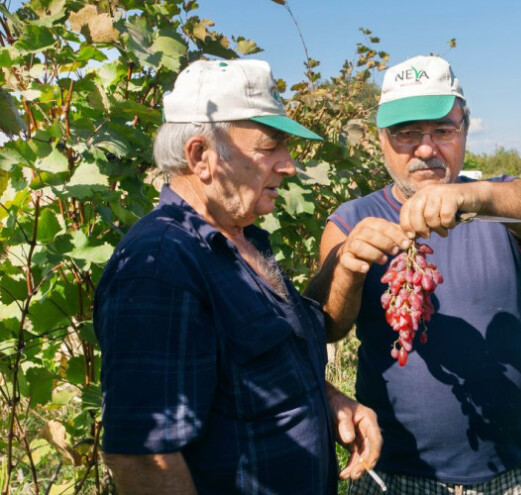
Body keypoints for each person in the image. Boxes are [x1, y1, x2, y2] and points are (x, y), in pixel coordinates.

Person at [94, 59, 381, 495]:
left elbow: (247, 384)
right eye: (270, 148)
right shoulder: (161, 267)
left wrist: (329, 401)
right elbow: (143, 459)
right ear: (201, 157)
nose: (288, 166)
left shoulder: (246, 242)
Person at [305, 55, 521, 494]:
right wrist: (347, 267)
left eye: (443, 130)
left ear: (465, 130)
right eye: (406, 133)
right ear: (381, 140)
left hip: (512, 472)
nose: (425, 149)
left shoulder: (498, 206)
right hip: (395, 474)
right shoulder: (352, 220)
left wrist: (480, 196)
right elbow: (325, 326)